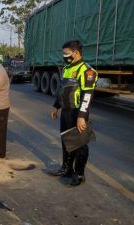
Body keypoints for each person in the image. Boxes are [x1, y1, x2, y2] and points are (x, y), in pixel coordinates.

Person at [49, 40, 98, 186]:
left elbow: (87, 96)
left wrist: (82, 117)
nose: (64, 56)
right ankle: (66, 169)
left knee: (80, 144)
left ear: (76, 53)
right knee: (66, 140)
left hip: (78, 112)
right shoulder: (66, 68)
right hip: (66, 111)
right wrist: (56, 106)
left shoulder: (87, 71)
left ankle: (79, 174)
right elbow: (62, 89)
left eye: (66, 53)